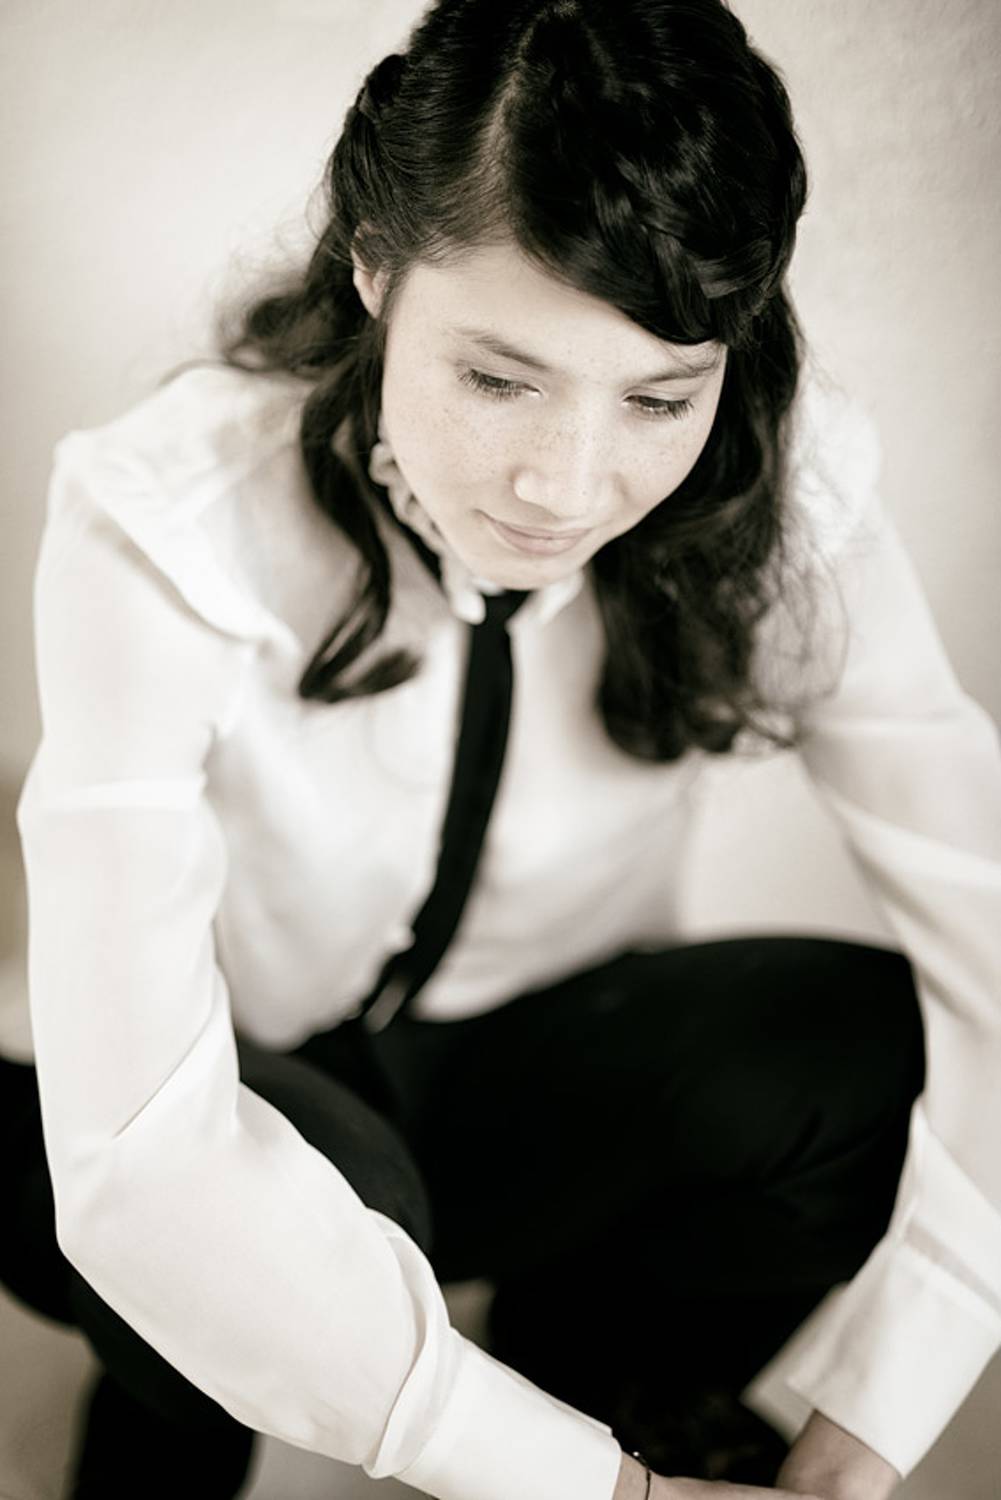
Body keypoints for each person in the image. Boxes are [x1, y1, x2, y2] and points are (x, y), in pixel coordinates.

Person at [3, 0, 999, 1497]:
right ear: (374, 266)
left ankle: (616, 1384)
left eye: (656, 396)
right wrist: (578, 1487)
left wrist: (867, 1434)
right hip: (128, 1101)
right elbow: (137, 1151)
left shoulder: (783, 500)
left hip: (503, 1081)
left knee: (859, 1050)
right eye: (497, 377)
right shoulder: (161, 515)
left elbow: (990, 928)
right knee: (307, 1207)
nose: (567, 487)